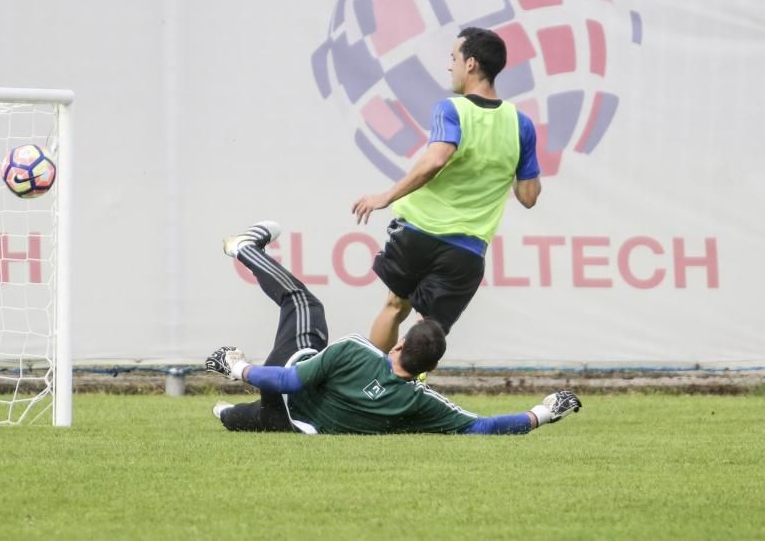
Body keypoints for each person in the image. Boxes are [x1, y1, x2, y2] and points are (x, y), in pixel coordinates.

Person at [207, 221, 581, 435]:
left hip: (284, 384)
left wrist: (236, 367)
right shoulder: (420, 401)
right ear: (429, 369)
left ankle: (245, 247)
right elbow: (481, 428)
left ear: (399, 346)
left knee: (303, 303)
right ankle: (226, 414)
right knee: (251, 416)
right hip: (296, 424)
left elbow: (289, 382)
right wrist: (544, 413)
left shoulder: (356, 350)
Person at [351, 27, 542, 353]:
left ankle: (368, 385)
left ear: (471, 64)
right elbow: (528, 197)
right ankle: (405, 394)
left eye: (453, 58)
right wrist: (508, 155)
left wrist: (385, 196)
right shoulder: (520, 124)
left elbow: (436, 160)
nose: (449, 66)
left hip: (418, 233)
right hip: (466, 248)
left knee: (395, 306)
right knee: (429, 331)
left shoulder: (451, 109)